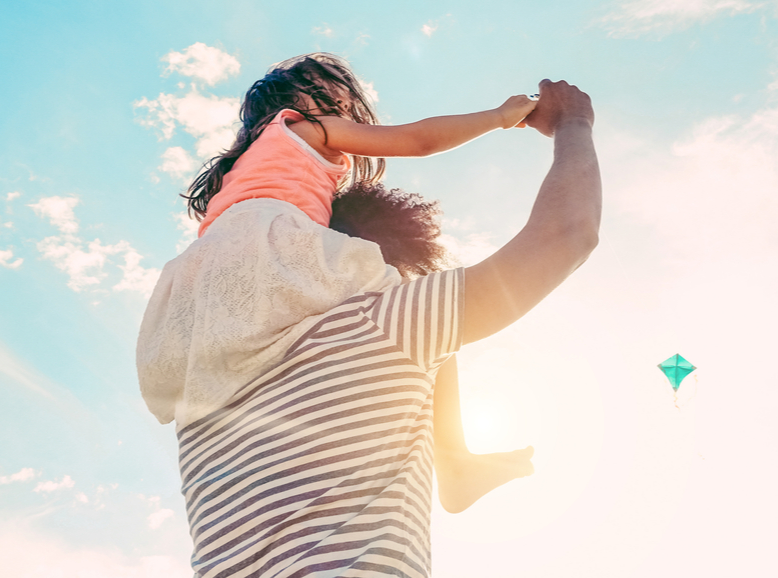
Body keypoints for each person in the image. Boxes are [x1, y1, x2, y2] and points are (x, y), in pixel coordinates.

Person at [137, 52, 599, 577]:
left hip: (193, 299)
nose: (349, 122)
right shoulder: (304, 131)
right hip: (269, 255)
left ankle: (456, 461)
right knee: (423, 318)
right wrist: (507, 116)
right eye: (339, 105)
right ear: (309, 102)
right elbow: (420, 139)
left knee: (425, 322)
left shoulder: (237, 173)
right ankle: (456, 459)